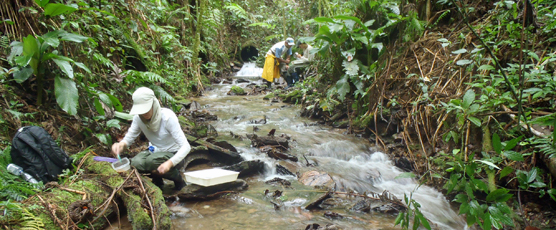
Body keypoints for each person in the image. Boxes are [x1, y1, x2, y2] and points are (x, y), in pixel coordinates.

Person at [112, 87, 191, 191]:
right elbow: (129, 138)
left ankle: (178, 180)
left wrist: (170, 163)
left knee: (151, 161)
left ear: (154, 103)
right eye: (141, 111)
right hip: (154, 152)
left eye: (146, 109)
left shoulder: (167, 117)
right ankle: (157, 179)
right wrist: (120, 145)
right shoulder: (138, 118)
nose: (144, 114)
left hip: (173, 154)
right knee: (135, 163)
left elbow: (186, 147)